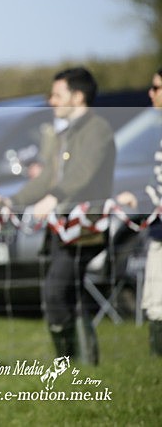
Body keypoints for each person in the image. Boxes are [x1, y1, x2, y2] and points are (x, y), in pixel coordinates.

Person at [0, 67, 115, 365]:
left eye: (57, 94)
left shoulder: (97, 130)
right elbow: (47, 177)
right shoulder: (65, 132)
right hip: (60, 229)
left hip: (83, 229)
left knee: (57, 292)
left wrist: (53, 198)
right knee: (65, 293)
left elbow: (82, 174)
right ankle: (81, 365)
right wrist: (13, 199)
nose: (51, 101)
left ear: (78, 97)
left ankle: (74, 363)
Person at [116, 66, 162, 356]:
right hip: (158, 231)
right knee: (155, 301)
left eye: (157, 88)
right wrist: (138, 197)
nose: (151, 93)